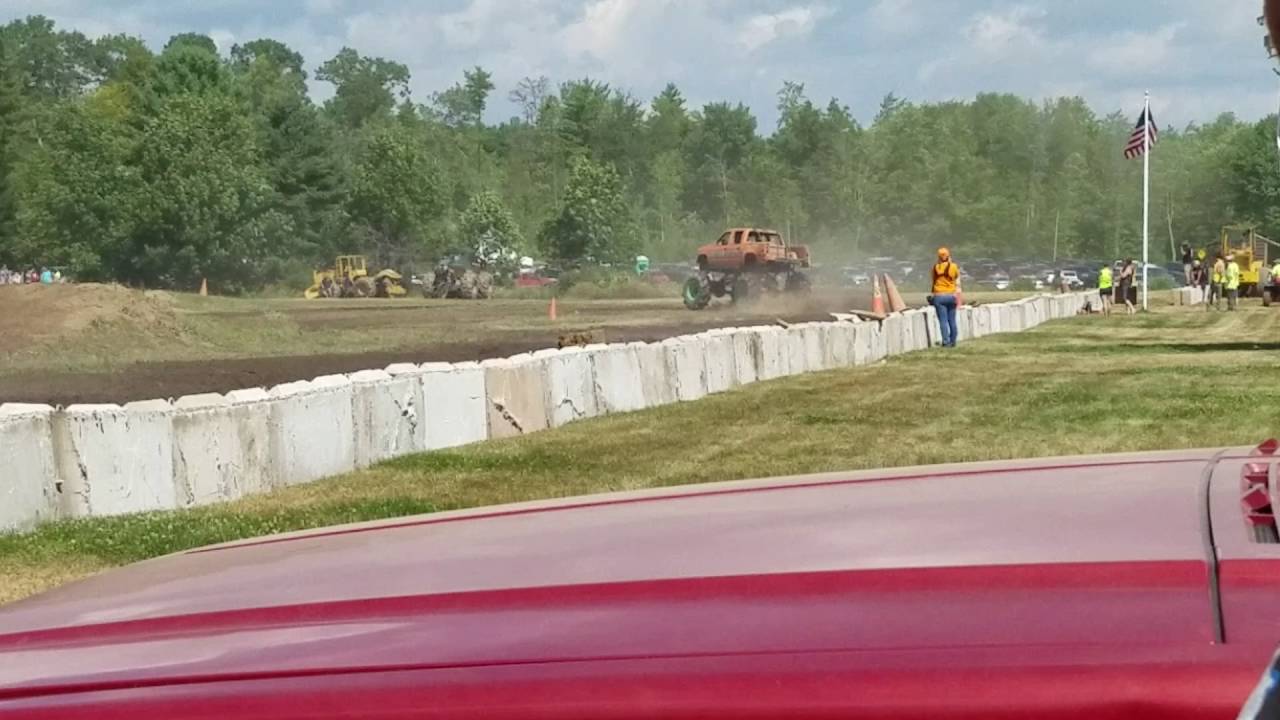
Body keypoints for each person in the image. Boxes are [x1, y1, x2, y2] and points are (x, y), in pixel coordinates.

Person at [929, 247, 960, 348]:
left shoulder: (935, 267)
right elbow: (956, 277)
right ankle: (953, 341)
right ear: (948, 256)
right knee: (952, 320)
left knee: (943, 320)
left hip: (939, 296)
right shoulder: (953, 266)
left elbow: (933, 279)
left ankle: (945, 342)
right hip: (951, 296)